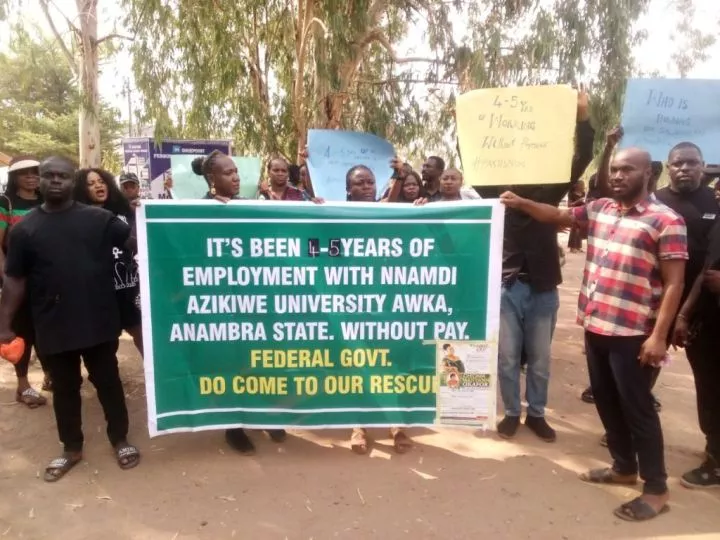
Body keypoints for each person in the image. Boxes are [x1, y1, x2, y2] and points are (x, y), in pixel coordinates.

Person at [501, 147, 687, 521]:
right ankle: (622, 466)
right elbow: (556, 215)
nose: (617, 176)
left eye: (627, 170)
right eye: (615, 170)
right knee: (605, 401)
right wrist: (520, 202)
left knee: (637, 410)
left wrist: (659, 337)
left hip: (635, 333)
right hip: (597, 325)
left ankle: (656, 488)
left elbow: (673, 283)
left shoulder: (666, 220)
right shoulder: (601, 209)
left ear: (649, 173)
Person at [0, 156, 141, 482]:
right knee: (64, 388)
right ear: (42, 181)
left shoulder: (100, 219)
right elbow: (15, 279)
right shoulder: (26, 230)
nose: (54, 181)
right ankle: (71, 448)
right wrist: (5, 324)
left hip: (99, 318)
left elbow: (134, 241)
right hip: (52, 322)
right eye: (48, 176)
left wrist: (164, 224)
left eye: (61, 175)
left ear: (70, 181)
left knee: (108, 383)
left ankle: (120, 439)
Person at [474, 88, 594, 443]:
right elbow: (477, 156)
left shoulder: (549, 191)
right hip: (507, 288)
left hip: (543, 287)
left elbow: (583, 155)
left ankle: (536, 414)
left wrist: (582, 116)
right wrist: (467, 128)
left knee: (540, 360)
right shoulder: (491, 191)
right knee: (507, 357)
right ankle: (512, 413)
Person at [191, 151, 287, 455]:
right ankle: (233, 426)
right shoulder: (196, 211)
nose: (235, 177)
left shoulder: (249, 205)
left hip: (256, 302)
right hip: (222, 305)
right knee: (230, 365)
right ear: (211, 178)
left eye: (236, 172)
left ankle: (266, 416)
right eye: (227, 173)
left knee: (260, 360)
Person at [346, 164, 417, 454]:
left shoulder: (390, 212)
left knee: (393, 366)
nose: (367, 187)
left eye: (371, 182)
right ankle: (358, 426)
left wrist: (419, 209)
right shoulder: (335, 215)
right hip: (353, 306)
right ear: (348, 190)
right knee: (359, 366)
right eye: (360, 183)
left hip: (388, 305)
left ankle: (396, 424)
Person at [662, 145, 720, 489]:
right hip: (697, 314)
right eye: (678, 163)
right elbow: (705, 271)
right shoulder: (657, 201)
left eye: (693, 163)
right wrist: (684, 314)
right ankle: (714, 451)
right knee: (709, 384)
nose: (685, 169)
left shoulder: (712, 209)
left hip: (706, 314)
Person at [74, 168, 143, 356]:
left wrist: (142, 209)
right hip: (100, 290)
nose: (98, 185)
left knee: (142, 332)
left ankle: (155, 378)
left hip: (130, 285)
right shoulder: (77, 217)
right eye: (91, 183)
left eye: (101, 181)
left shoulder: (124, 209)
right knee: (106, 344)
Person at [0, 156, 51, 406]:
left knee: (48, 328)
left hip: (49, 278)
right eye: (25, 173)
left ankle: (50, 376)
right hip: (19, 279)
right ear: (14, 177)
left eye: (35, 172)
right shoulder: (5, 203)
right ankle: (23, 386)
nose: (31, 176)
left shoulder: (47, 201)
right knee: (24, 332)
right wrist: (8, 276)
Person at [567, 180, 586, 253]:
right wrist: (578, 201)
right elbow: (569, 205)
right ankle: (572, 247)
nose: (582, 186)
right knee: (574, 229)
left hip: (581, 212)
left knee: (579, 229)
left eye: (583, 185)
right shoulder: (571, 194)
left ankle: (578, 246)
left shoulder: (583, 193)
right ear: (576, 185)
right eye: (581, 185)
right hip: (574, 212)